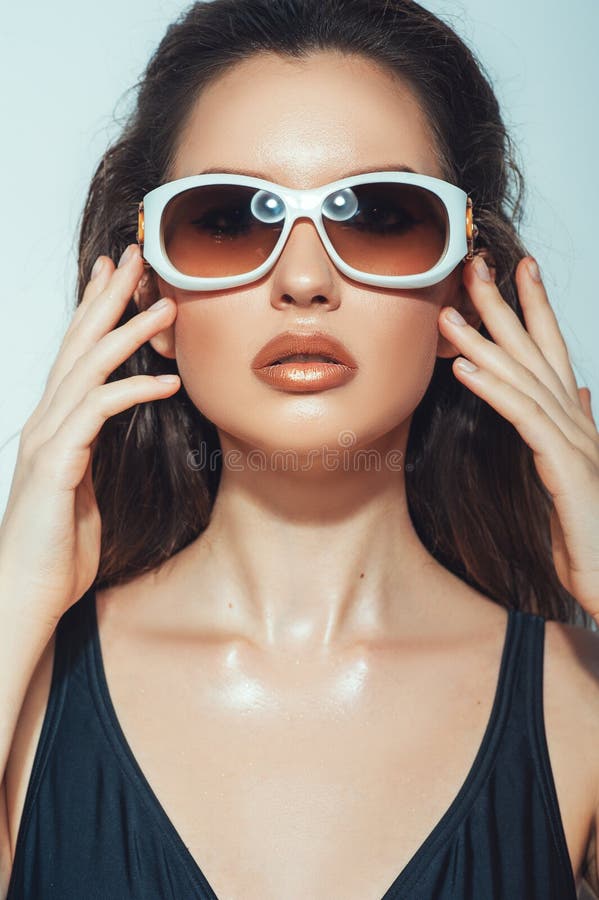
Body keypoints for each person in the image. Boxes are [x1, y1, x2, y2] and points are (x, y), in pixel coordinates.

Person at [1, 0, 598, 897]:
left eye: (382, 216)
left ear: (458, 297)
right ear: (151, 289)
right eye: (229, 220)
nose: (306, 280)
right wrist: (12, 596)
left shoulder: (576, 705)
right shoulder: (25, 699)